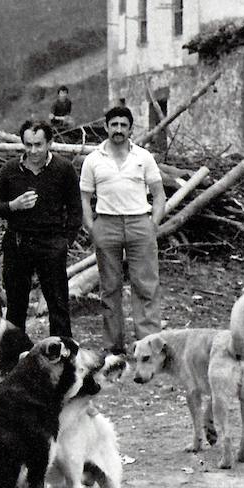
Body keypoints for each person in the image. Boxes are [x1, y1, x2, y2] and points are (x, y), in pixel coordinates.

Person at [80, 106, 166, 354]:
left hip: (140, 223)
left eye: (123, 125)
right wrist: (91, 226)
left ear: (130, 128)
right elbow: (84, 198)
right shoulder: (93, 159)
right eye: (114, 124)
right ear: (106, 127)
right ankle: (113, 347)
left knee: (146, 286)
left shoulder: (143, 157)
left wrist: (153, 224)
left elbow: (159, 194)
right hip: (107, 224)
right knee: (110, 288)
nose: (118, 130)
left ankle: (148, 346)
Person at [0, 120, 82, 338]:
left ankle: (63, 354)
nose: (33, 151)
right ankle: (15, 358)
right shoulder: (10, 169)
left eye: (38, 145)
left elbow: (75, 210)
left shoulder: (63, 169)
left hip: (51, 243)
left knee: (58, 304)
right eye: (28, 145)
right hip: (18, 242)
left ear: (49, 142)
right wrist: (13, 205)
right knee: (16, 305)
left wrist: (64, 242)